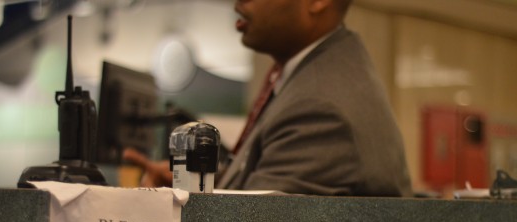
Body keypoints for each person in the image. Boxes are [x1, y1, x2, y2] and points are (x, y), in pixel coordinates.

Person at [124, 0, 413, 196]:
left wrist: (173, 209)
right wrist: (196, 185)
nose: (238, 2)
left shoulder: (319, 108)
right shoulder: (310, 77)